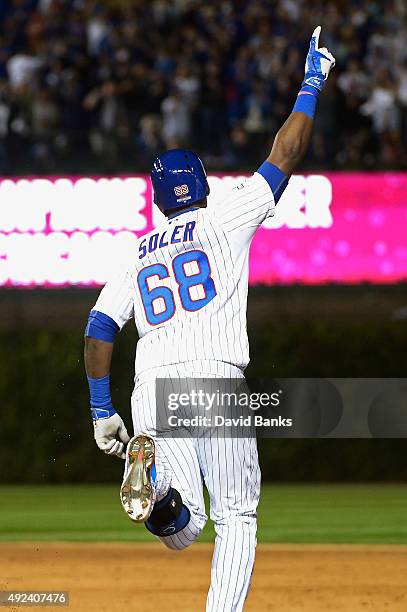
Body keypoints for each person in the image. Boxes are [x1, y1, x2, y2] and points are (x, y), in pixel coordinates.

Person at [84, 27, 335, 611]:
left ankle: (158, 491)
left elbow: (100, 328)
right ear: (200, 184)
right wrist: (312, 82)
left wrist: (102, 409)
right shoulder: (226, 216)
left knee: (183, 528)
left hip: (151, 389)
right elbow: (285, 155)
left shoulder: (134, 250)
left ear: (158, 199)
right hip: (216, 378)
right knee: (236, 515)